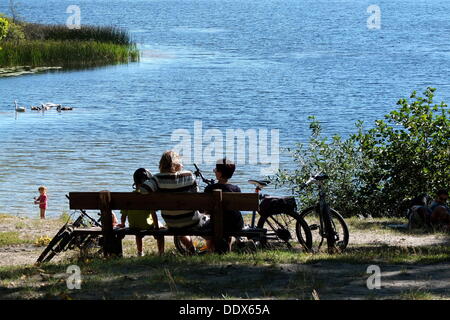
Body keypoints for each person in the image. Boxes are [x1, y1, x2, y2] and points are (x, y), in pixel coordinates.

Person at [139, 151, 207, 251]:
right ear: (176, 164)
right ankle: (213, 247)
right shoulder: (189, 175)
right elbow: (196, 196)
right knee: (206, 219)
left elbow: (143, 190)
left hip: (171, 222)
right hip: (191, 221)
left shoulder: (157, 178)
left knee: (178, 225)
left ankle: (191, 248)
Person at [116, 168, 164, 256]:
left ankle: (140, 252)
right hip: (147, 225)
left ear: (135, 181)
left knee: (138, 232)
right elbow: (153, 214)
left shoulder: (129, 197)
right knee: (160, 228)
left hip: (133, 226)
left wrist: (122, 223)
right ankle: (161, 252)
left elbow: (123, 214)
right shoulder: (148, 197)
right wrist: (157, 227)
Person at [203, 158, 244, 251]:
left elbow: (205, 210)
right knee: (229, 217)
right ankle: (231, 242)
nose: (214, 171)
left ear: (219, 173)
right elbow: (237, 209)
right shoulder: (236, 189)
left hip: (216, 225)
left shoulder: (209, 189)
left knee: (209, 224)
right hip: (235, 224)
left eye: (216, 170)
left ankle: (212, 251)